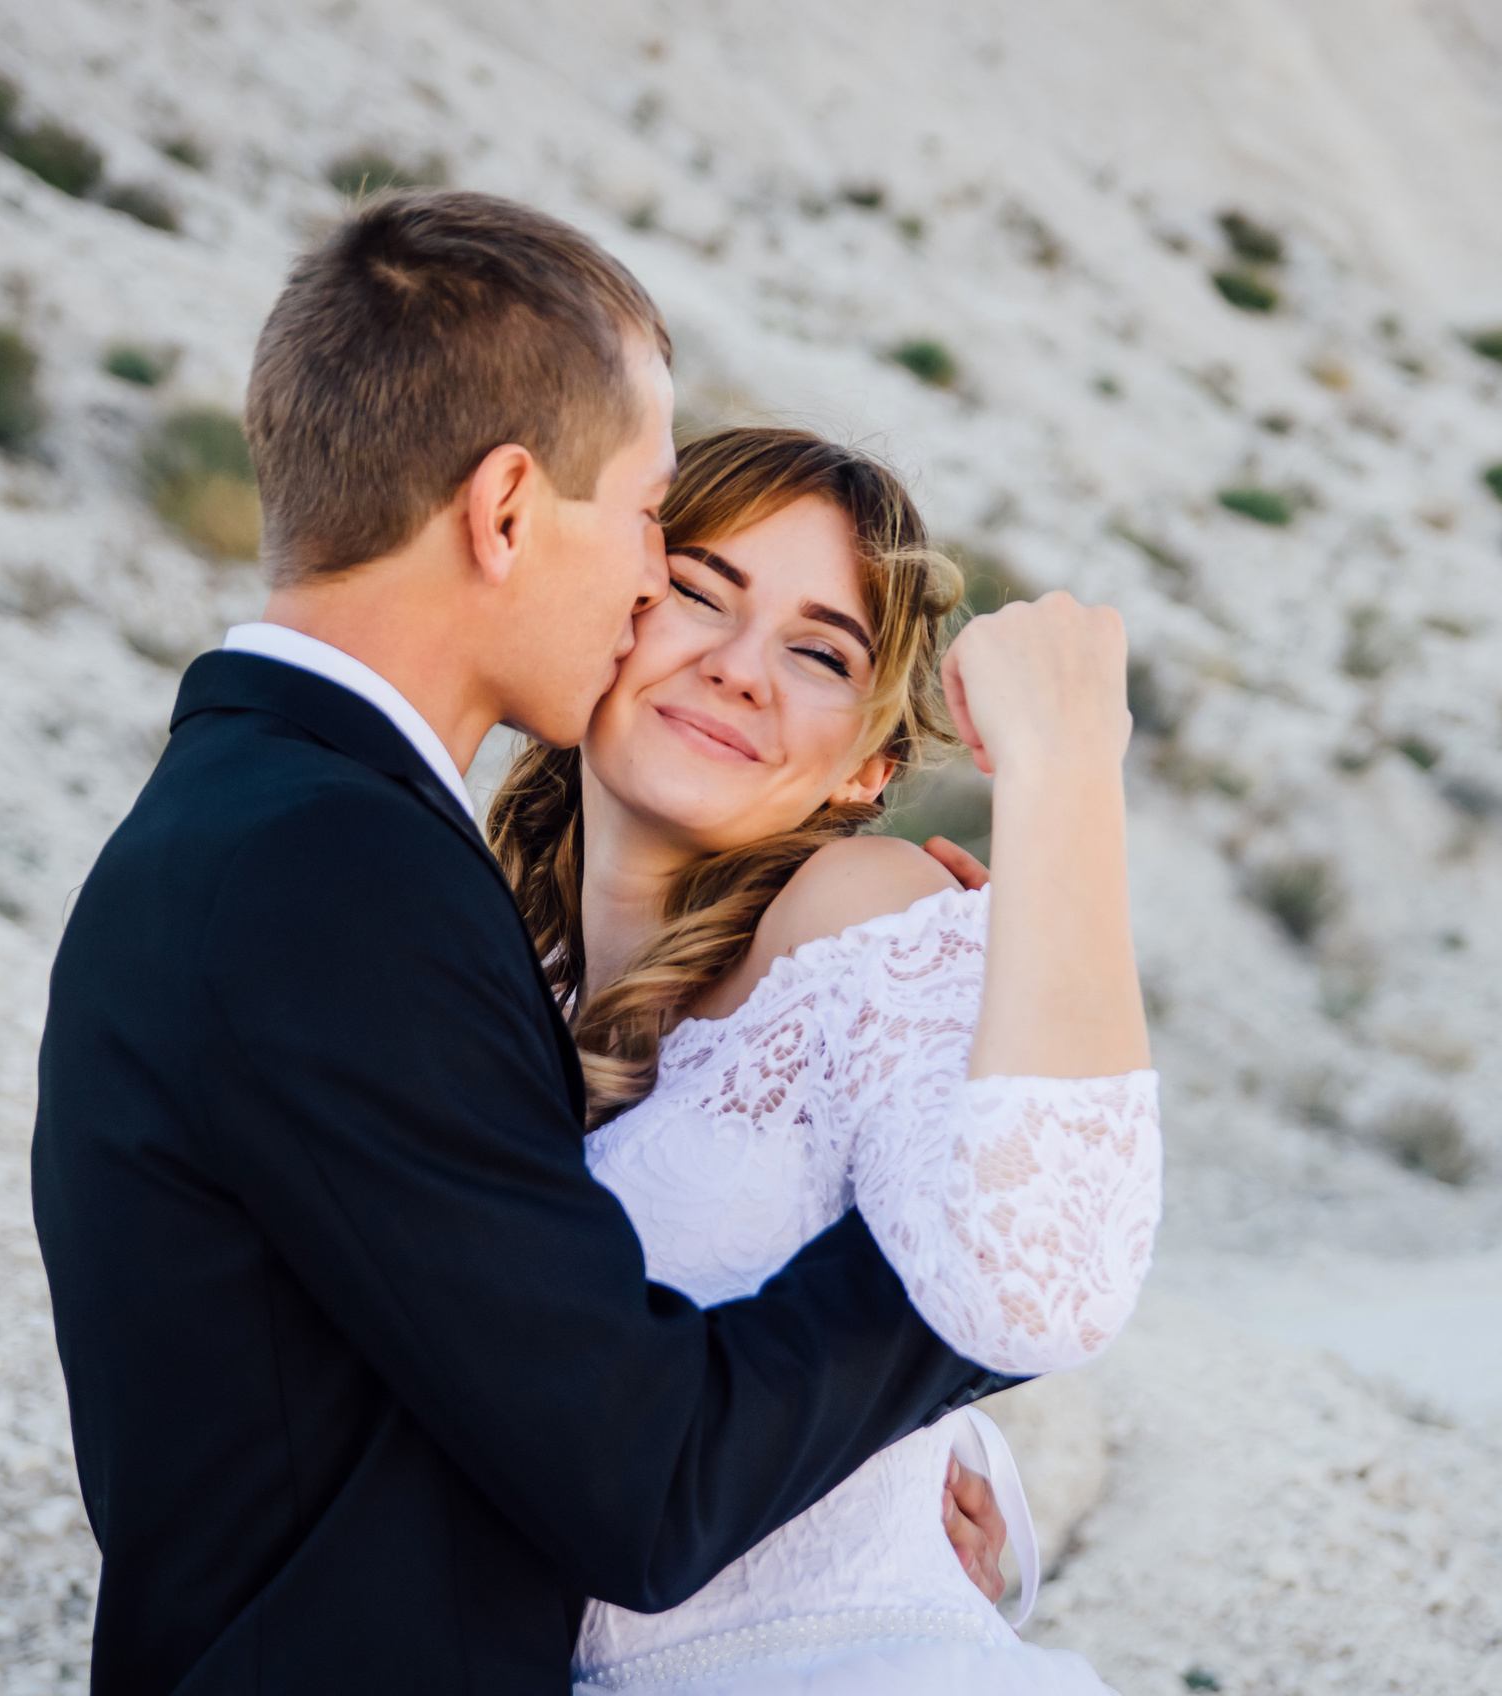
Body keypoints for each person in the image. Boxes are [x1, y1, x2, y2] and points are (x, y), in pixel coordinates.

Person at [30, 192, 1023, 1696]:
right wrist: (982, 1274)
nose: (649, 587)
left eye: (815, 648)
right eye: (654, 529)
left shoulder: (275, 830)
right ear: (507, 508)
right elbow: (635, 1472)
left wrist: (931, 1492)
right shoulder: (337, 875)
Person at [489, 427, 1159, 1695]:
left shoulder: (853, 913)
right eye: (699, 592)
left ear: (868, 767)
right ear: (608, 617)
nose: (740, 669)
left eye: (818, 652)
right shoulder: (491, 971)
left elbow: (1049, 1277)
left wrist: (1064, 767)